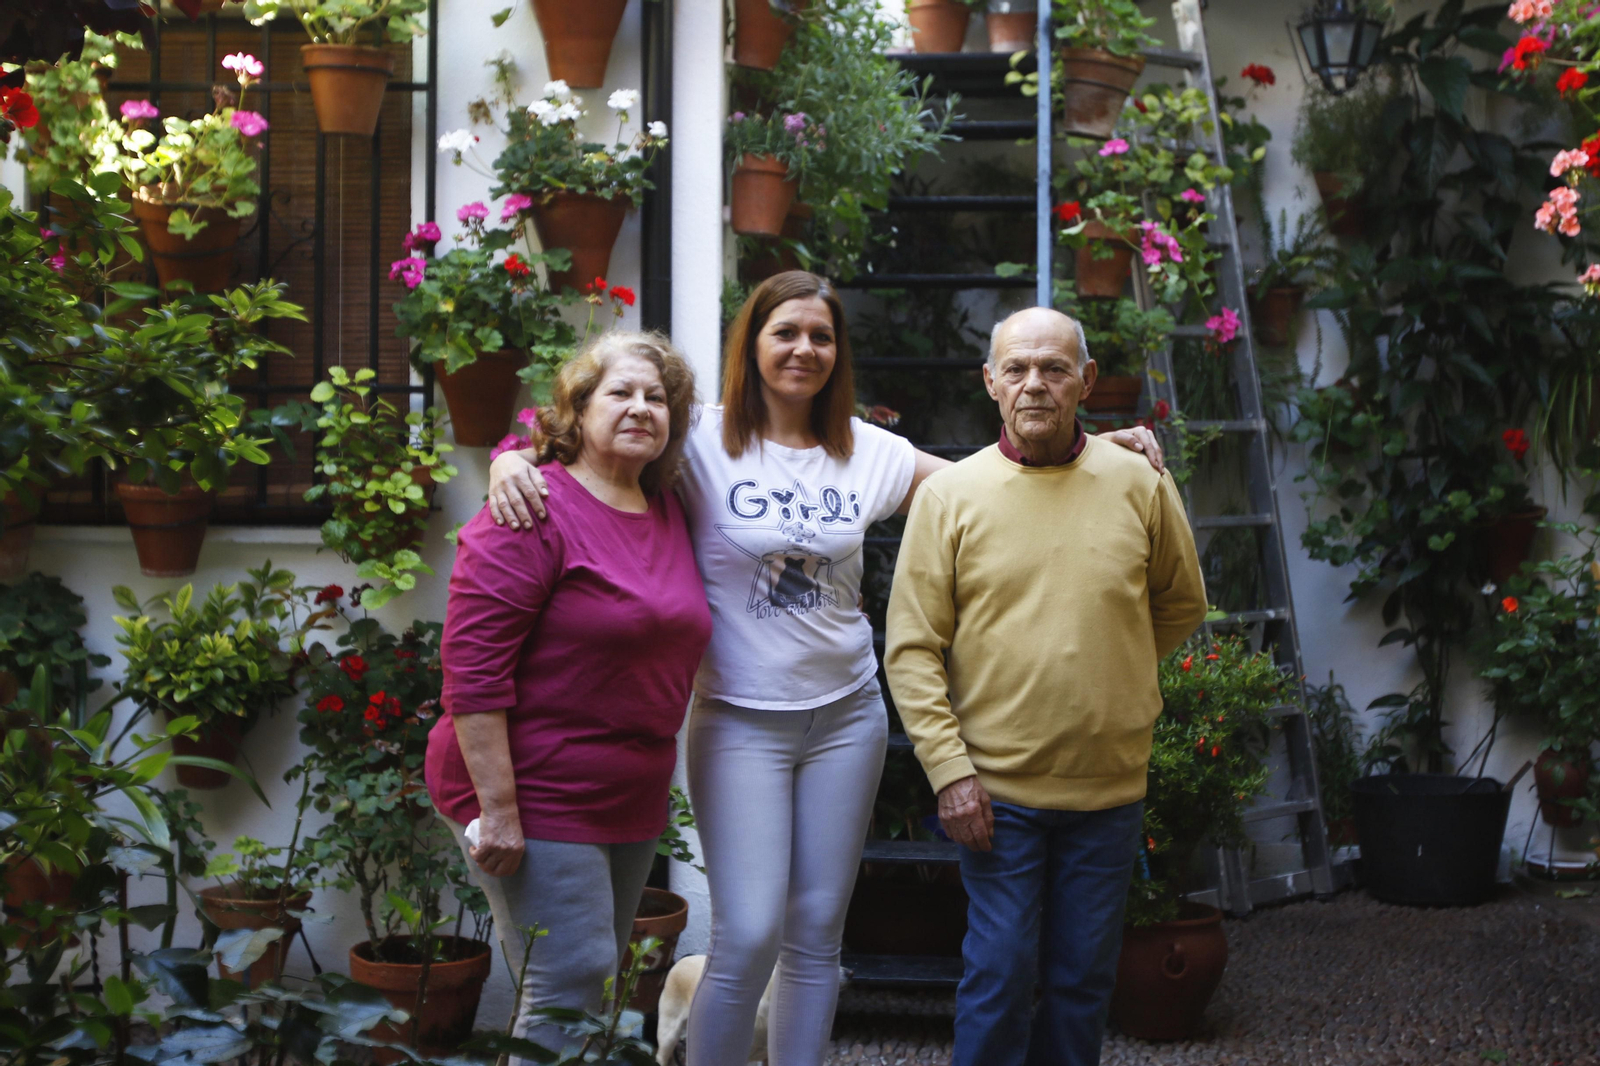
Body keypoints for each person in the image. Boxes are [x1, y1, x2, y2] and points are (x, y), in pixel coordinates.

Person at [486, 273, 1167, 1066]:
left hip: (846, 715)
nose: (804, 349)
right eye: (786, 332)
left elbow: (996, 483)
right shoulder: (699, 439)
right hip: (739, 717)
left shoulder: (868, 451)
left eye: (821, 335)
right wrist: (511, 460)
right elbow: (585, 442)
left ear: (837, 352)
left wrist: (1094, 451)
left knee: (817, 936)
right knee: (746, 933)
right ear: (754, 344)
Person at [884, 307, 1208, 1066]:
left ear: (1086, 382)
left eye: (1055, 369)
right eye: (1019, 369)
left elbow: (1181, 604)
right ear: (990, 383)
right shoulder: (950, 497)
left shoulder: (1141, 482)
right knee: (998, 976)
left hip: (1109, 792)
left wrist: (1112, 668)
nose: (1037, 385)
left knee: (1082, 982)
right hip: (996, 798)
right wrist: (951, 775)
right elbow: (911, 650)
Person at [425, 331, 711, 1057]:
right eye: (620, 392)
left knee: (591, 990)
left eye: (657, 397)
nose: (641, 408)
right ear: (576, 411)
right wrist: (499, 809)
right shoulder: (531, 507)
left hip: (627, 795)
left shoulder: (666, 505)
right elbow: (471, 669)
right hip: (534, 786)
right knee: (567, 983)